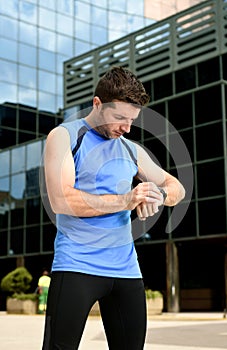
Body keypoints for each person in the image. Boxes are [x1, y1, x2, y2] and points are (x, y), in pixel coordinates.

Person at [41, 66, 185, 349]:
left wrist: (155, 192)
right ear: (98, 104)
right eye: (119, 117)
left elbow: (176, 188)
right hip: (76, 265)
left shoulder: (131, 149)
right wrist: (127, 200)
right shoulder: (65, 136)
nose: (127, 127)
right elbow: (61, 200)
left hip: (126, 271)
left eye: (132, 120)